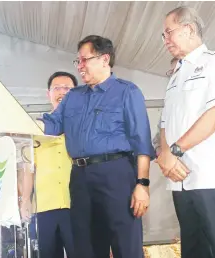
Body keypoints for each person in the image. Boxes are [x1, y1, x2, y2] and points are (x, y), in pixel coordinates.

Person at [41, 35, 154, 258]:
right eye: (78, 62)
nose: (80, 67)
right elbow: (51, 125)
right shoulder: (73, 97)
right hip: (80, 178)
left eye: (85, 60)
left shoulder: (127, 92)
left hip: (116, 174)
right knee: (86, 246)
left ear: (104, 59)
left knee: (126, 245)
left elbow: (141, 141)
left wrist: (142, 184)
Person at [157, 6, 215, 258]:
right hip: (181, 182)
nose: (165, 40)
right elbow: (165, 123)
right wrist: (165, 155)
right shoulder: (175, 75)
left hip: (213, 179)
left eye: (168, 32)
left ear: (188, 29)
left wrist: (174, 151)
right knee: (194, 251)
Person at [20, 71, 77, 258]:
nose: (62, 92)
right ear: (48, 94)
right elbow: (28, 168)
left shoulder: (82, 125)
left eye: (67, 88)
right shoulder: (36, 128)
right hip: (44, 206)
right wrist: (25, 199)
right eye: (57, 88)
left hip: (76, 203)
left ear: (76, 93)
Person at [153, 57, 179, 157]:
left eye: (177, 70)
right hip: (171, 165)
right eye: (171, 72)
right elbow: (158, 135)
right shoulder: (169, 104)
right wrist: (159, 149)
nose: (173, 75)